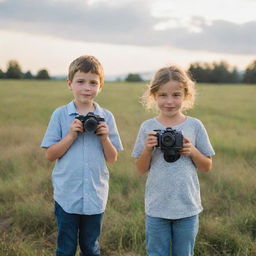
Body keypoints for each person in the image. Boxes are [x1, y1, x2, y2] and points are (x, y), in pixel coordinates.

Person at [41, 55, 123, 256]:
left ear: (100, 86)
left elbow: (112, 158)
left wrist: (104, 138)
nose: (87, 87)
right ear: (70, 84)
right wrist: (71, 135)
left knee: (91, 246)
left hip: (95, 195)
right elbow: (50, 155)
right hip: (67, 194)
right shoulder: (60, 115)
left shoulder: (107, 117)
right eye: (80, 81)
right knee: (66, 247)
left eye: (93, 82)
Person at [132, 65, 215, 256]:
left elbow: (207, 166)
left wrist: (193, 151)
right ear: (154, 96)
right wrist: (147, 148)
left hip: (187, 207)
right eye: (163, 95)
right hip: (157, 207)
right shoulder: (148, 127)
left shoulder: (194, 125)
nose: (169, 101)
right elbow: (140, 168)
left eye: (176, 95)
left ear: (186, 95)